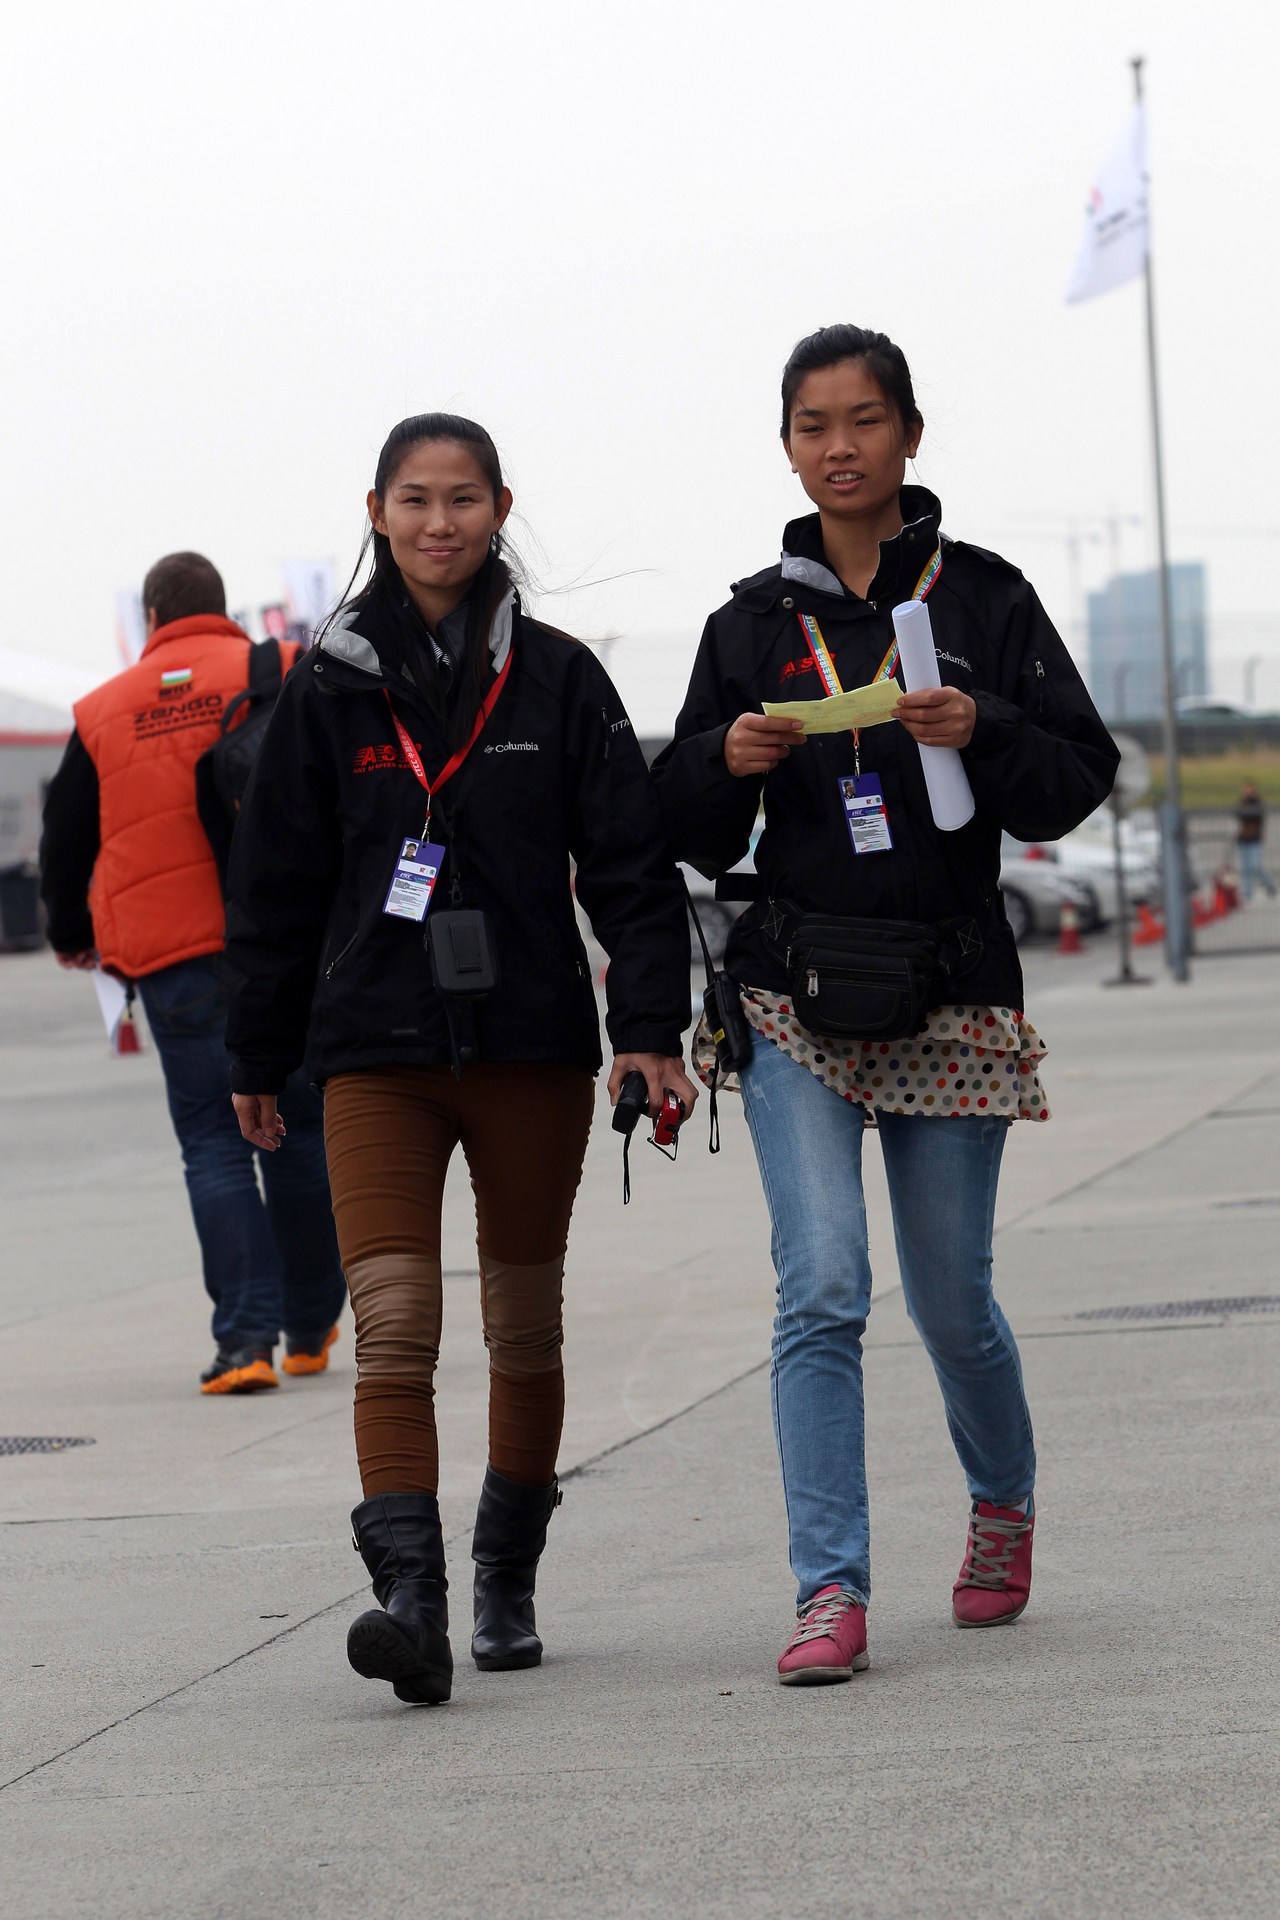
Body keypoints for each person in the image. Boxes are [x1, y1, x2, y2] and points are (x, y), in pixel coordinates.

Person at [654, 326, 1119, 1684]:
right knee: (822, 1288)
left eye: (864, 420)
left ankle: (1000, 1508)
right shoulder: (747, 622)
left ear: (912, 435)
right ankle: (828, 1589)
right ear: (788, 445)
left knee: (950, 1299)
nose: (839, 446)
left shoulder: (984, 597)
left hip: (955, 984)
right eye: (813, 425)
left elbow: (1075, 775)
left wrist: (987, 731)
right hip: (794, 990)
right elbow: (678, 821)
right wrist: (719, 759)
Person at [222, 414, 696, 1706]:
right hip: (373, 1049)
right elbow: (274, 887)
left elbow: (632, 871)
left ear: (499, 508)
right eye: (417, 500)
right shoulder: (324, 688)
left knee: (522, 1322)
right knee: (396, 1321)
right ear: (375, 510)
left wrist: (649, 1027)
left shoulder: (556, 678)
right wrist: (257, 1053)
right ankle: (410, 1600)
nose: (442, 524)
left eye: (465, 499)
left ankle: (504, 1575)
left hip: (532, 1044)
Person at [39, 552, 346, 1394]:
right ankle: (312, 1326)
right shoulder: (281, 669)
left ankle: (243, 1343)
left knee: (213, 1145)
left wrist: (71, 931)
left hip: (170, 958)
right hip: (279, 945)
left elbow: (65, 836)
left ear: (150, 618)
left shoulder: (101, 711)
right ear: (219, 607)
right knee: (298, 1130)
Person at [1236, 781, 1276, 901]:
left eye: (1249, 789)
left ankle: (1270, 885)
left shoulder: (1257, 803)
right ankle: (1247, 892)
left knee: (1255, 866)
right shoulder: (1241, 803)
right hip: (1244, 839)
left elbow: (1257, 817)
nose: (1247, 792)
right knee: (1246, 867)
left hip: (1255, 839)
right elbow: (1239, 816)